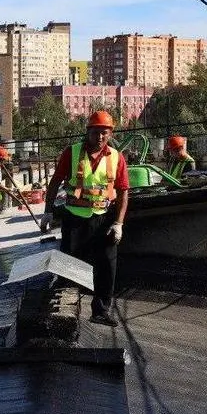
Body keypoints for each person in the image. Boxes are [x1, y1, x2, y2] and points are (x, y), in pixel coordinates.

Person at [40, 111, 129, 327]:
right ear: (88, 131)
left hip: (104, 219)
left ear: (110, 134)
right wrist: (48, 211)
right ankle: (63, 310)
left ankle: (101, 311)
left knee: (107, 266)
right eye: (96, 132)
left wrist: (118, 223)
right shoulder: (72, 153)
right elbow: (55, 183)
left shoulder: (117, 157)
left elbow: (123, 192)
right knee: (69, 266)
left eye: (105, 133)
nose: (100, 137)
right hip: (75, 219)